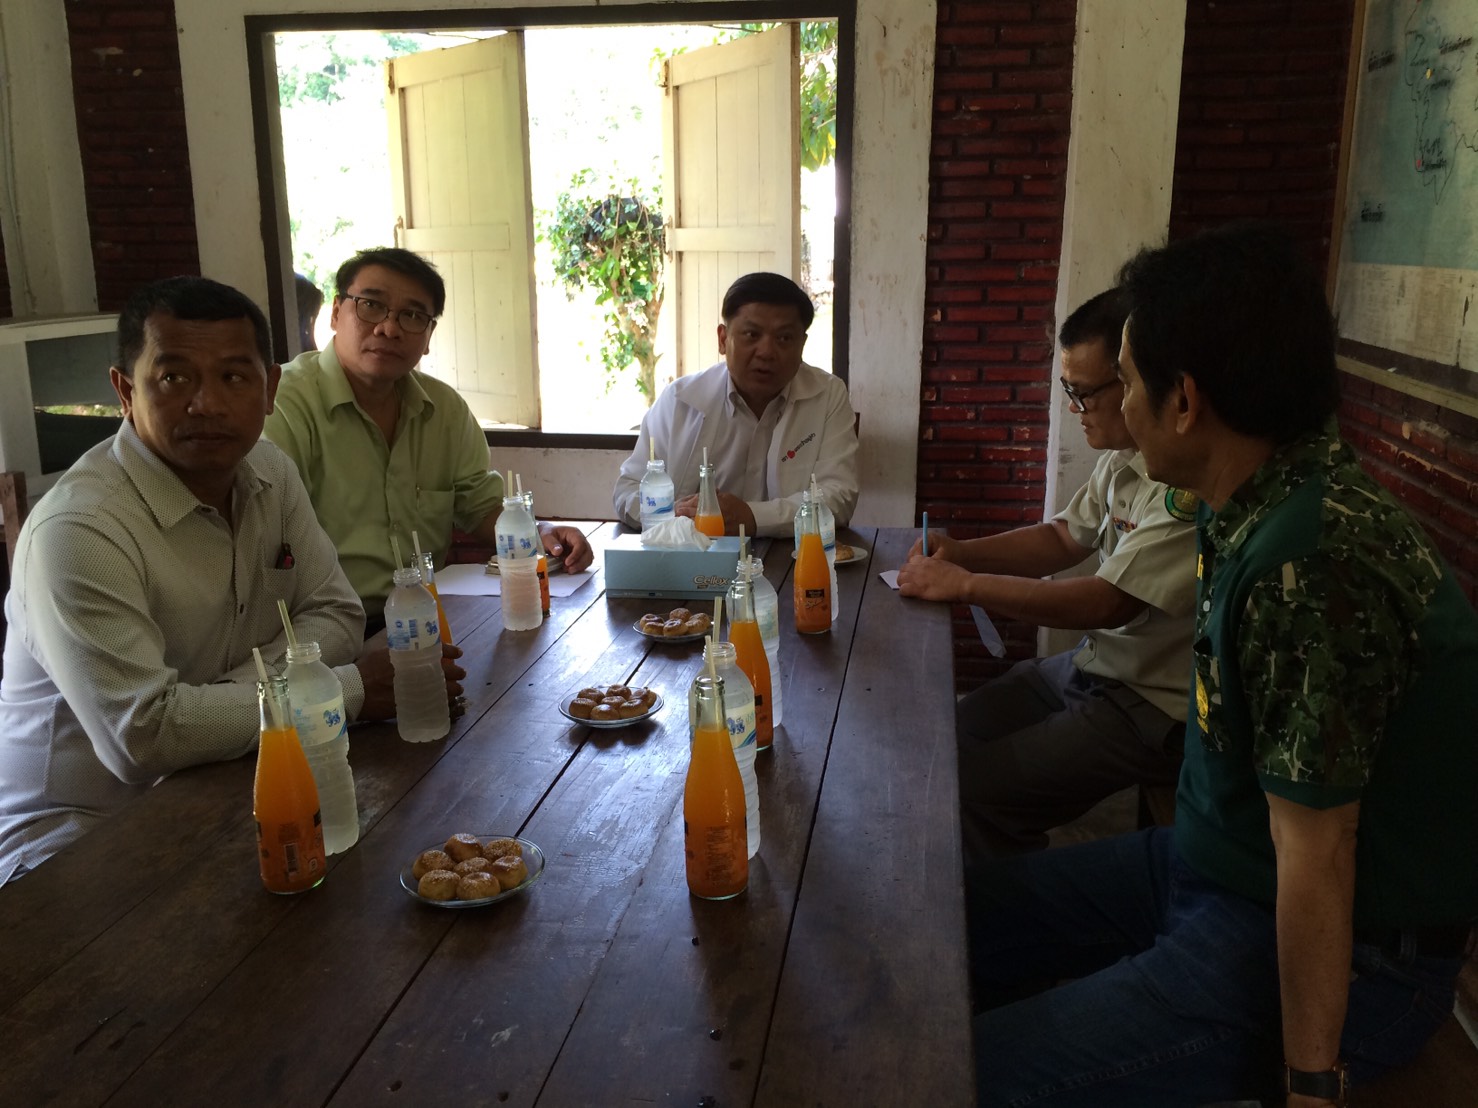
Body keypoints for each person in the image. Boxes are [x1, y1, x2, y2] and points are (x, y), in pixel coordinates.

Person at [968, 222, 1478, 1107]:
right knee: (955, 923)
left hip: (1349, 953)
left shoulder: (1309, 565)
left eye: (1127, 383)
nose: (1118, 408)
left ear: (1184, 402)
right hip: (1215, 868)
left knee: (963, 1070)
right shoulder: (1246, 495)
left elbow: (1318, 849)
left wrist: (1311, 1082)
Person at [0, 276, 458, 884]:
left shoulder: (268, 472)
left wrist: (218, 706)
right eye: (174, 377)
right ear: (125, 391)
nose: (207, 404)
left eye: (234, 377)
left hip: (231, 787)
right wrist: (340, 691)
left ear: (269, 390)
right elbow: (145, 736)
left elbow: (339, 613)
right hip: (74, 849)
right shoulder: (79, 531)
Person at [896, 288, 1196, 862]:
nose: (1075, 409)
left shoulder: (1184, 484)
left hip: (1150, 704)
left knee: (970, 793)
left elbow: (1108, 602)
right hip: (1095, 665)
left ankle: (1004, 903)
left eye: (1086, 393)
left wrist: (965, 585)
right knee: (951, 732)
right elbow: (1062, 538)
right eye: (1068, 391)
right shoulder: (1124, 459)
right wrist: (963, 553)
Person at [264, 247, 592, 622]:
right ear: (337, 313)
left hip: (428, 617)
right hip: (323, 628)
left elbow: (480, 507)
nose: (389, 328)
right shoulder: (282, 404)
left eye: (412, 316)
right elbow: (268, 538)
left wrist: (542, 532)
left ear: (429, 334)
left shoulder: (444, 410)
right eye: (371, 305)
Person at [612, 272, 859, 537]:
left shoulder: (827, 396)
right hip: (692, 553)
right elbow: (628, 490)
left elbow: (839, 497)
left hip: (793, 556)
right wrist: (672, 515)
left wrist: (752, 517)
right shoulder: (680, 401)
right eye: (752, 334)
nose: (766, 352)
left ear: (802, 345)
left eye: (784, 338)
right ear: (723, 339)